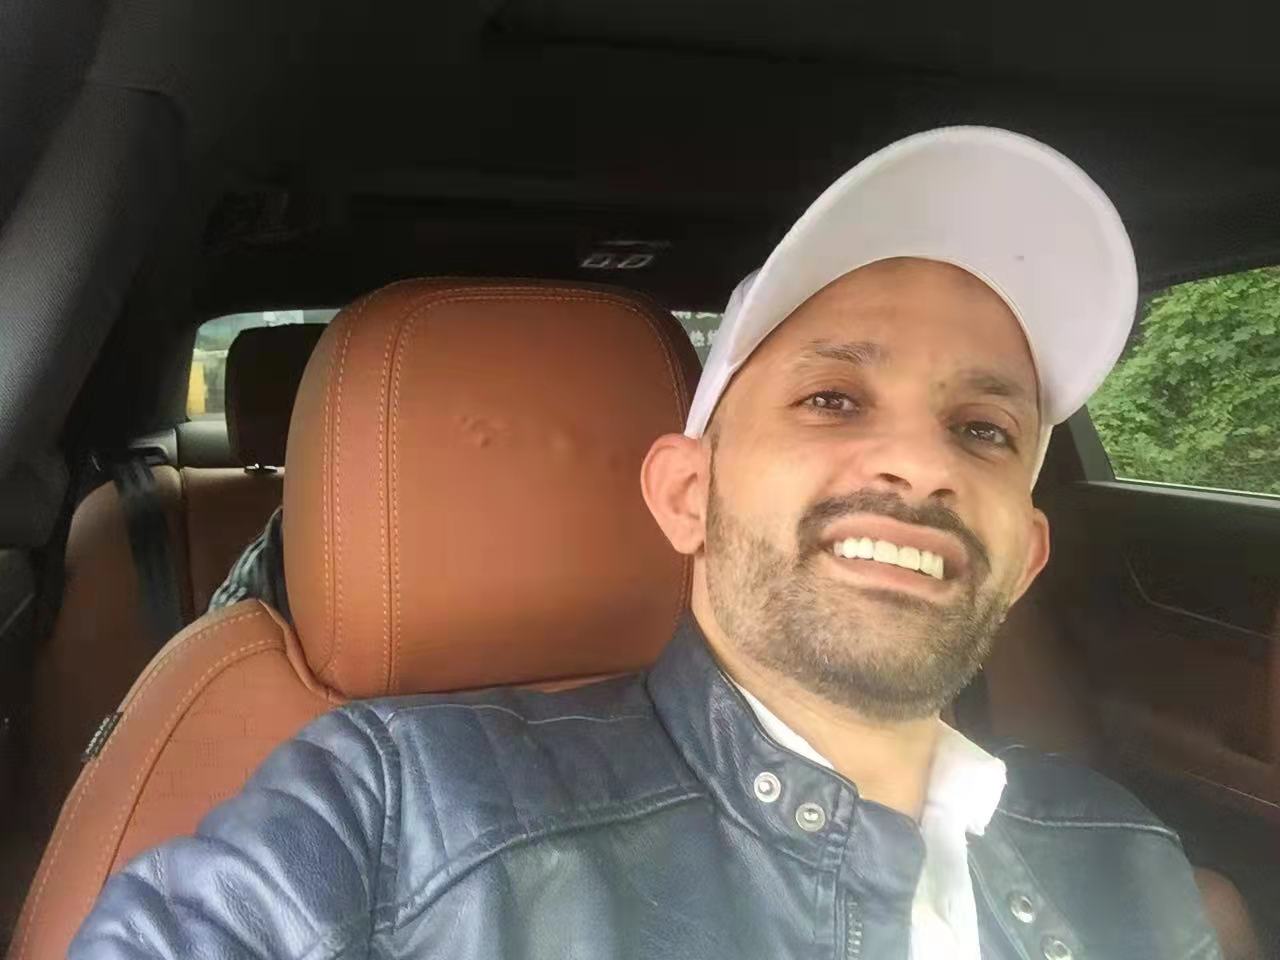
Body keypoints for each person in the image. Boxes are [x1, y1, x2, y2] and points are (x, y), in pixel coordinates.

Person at [70, 128, 1220, 959]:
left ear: (1021, 557)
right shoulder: (394, 813)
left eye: (981, 430)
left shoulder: (1125, 856)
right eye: (830, 399)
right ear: (684, 495)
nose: (921, 464)